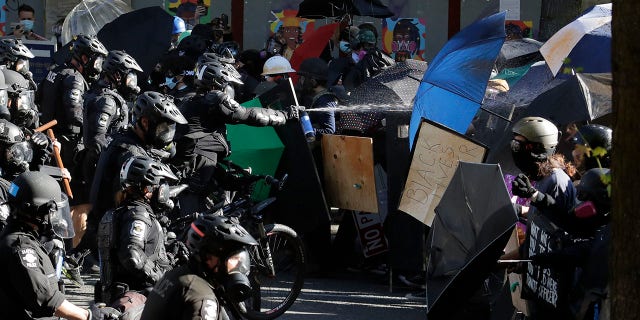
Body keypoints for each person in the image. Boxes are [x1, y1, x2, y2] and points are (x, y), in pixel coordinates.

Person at [172, 57, 298, 216]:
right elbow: (248, 115)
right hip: (198, 166)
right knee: (195, 223)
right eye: (229, 84)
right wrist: (284, 115)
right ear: (220, 83)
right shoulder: (215, 99)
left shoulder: (191, 98)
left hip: (192, 163)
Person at [81, 91, 186, 273]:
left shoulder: (121, 138)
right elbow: (136, 201)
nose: (167, 135)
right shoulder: (132, 154)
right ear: (145, 123)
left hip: (106, 224)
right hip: (122, 233)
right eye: (163, 128)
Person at [0, 171, 104, 319]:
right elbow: (46, 298)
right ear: (36, 212)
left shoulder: (21, 237)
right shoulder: (20, 248)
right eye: (52, 212)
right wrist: (89, 315)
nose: (54, 217)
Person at [508, 116, 577, 318]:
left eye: (518, 145)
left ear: (535, 148)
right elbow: (540, 229)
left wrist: (534, 196)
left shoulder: (556, 182)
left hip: (552, 293)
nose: (514, 150)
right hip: (538, 287)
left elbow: (561, 227)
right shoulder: (544, 179)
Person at [75, 50, 143, 248]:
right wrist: (104, 169)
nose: (133, 81)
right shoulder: (108, 101)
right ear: (118, 75)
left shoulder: (104, 94)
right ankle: (78, 257)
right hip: (100, 164)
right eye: (131, 76)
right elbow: (97, 139)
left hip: (100, 162)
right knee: (99, 212)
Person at [140, 215, 257, 320]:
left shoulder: (177, 274)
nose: (237, 266)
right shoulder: (202, 297)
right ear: (210, 258)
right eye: (234, 259)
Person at [98, 155, 178, 304]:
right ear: (147, 189)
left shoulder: (121, 211)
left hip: (120, 297)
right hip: (138, 299)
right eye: (161, 186)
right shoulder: (139, 215)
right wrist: (162, 279)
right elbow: (132, 255)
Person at [37, 34, 108, 170]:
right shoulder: (75, 79)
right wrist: (96, 126)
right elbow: (75, 115)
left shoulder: (55, 70)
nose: (98, 67)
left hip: (48, 138)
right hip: (66, 144)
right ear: (85, 58)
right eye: (97, 61)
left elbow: (38, 97)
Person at [296, 57, 337, 136]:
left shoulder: (325, 101)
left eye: (303, 78)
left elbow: (330, 131)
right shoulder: (309, 95)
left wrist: (309, 131)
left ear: (313, 81)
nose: (300, 81)